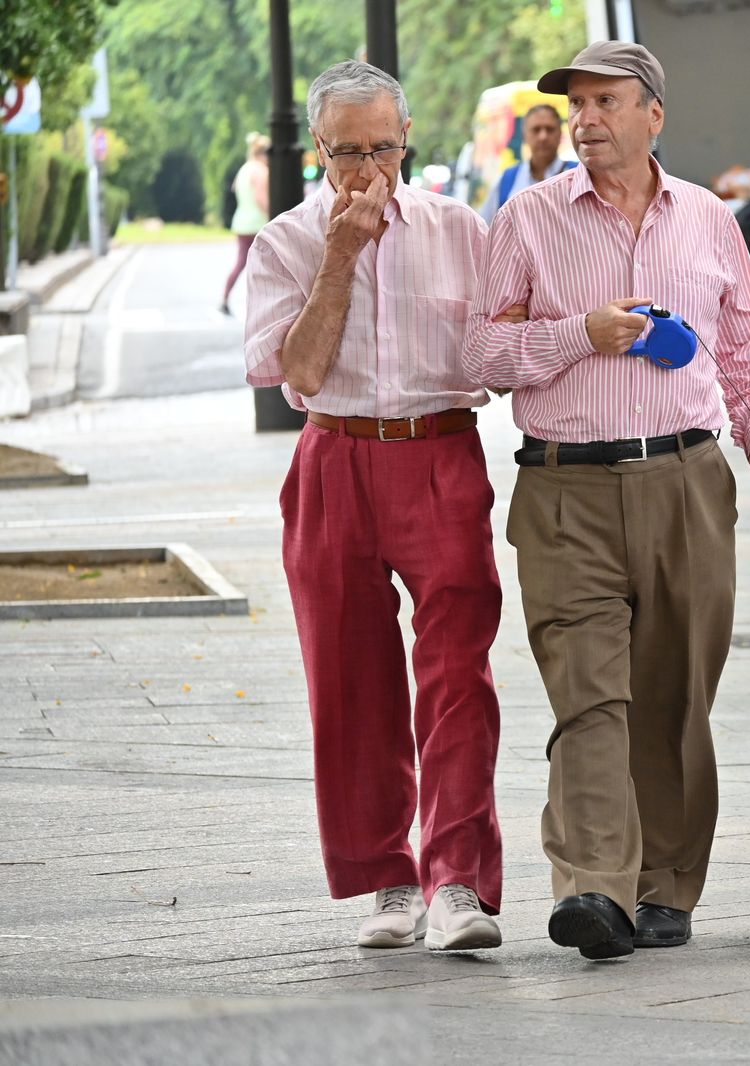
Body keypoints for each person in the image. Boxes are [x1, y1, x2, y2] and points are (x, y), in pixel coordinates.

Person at [463, 41, 750, 961]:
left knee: (674, 696)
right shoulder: (528, 219)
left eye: (606, 102)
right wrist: (580, 333)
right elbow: (482, 358)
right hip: (564, 487)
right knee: (588, 698)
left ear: (654, 113)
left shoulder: (707, 219)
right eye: (577, 106)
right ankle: (594, 891)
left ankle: (666, 885)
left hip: (688, 482)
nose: (587, 120)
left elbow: (745, 347)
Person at [242, 61, 505, 953]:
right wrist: (341, 256)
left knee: (458, 676)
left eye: (382, 148)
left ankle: (458, 881)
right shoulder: (284, 242)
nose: (366, 170)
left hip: (438, 452)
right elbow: (300, 375)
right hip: (335, 459)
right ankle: (388, 880)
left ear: (407, 142)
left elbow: (503, 348)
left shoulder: (461, 229)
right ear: (319, 151)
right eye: (346, 152)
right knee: (350, 681)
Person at [480, 104, 576, 224]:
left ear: (560, 134)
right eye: (536, 129)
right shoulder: (508, 180)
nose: (543, 136)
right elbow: (485, 227)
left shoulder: (578, 175)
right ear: (525, 135)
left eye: (550, 129)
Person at [221, 133, 269, 316]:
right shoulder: (261, 171)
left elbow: (235, 190)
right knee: (263, 265)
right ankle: (260, 303)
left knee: (241, 262)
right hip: (257, 223)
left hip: (241, 221)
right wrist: (273, 215)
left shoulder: (244, 169)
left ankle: (225, 297)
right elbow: (260, 198)